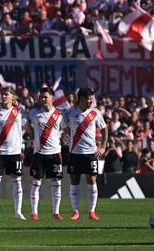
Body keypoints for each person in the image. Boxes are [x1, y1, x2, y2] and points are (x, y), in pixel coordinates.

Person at [62, 88, 107, 221]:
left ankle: (92, 211)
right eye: (88, 99)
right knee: (74, 180)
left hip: (91, 153)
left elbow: (104, 129)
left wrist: (103, 147)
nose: (91, 101)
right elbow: (63, 126)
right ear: (81, 99)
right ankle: (75, 211)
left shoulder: (95, 113)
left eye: (92, 98)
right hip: (75, 152)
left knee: (92, 180)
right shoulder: (70, 113)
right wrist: (71, 135)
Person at [0, 86, 28, 220]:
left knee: (17, 182)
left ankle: (18, 212)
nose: (4, 96)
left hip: (14, 151)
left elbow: (27, 127)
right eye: (2, 94)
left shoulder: (20, 111)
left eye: (7, 94)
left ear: (13, 97)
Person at [27, 87, 63, 220]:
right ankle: (34, 212)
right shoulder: (34, 113)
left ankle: (55, 212)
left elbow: (66, 130)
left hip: (55, 153)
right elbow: (24, 122)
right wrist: (32, 134)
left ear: (52, 98)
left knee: (56, 183)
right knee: (36, 183)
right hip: (39, 153)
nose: (43, 99)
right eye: (41, 97)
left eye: (45, 97)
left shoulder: (60, 115)